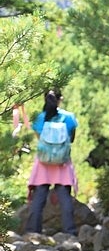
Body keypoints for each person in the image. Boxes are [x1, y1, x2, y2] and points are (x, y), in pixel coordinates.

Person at [25, 90, 78, 236]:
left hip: (43, 163)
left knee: (39, 197)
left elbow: (40, 140)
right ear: (61, 99)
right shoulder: (69, 117)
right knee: (65, 198)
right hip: (62, 162)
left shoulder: (40, 118)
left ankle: (33, 231)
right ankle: (70, 233)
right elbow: (71, 139)